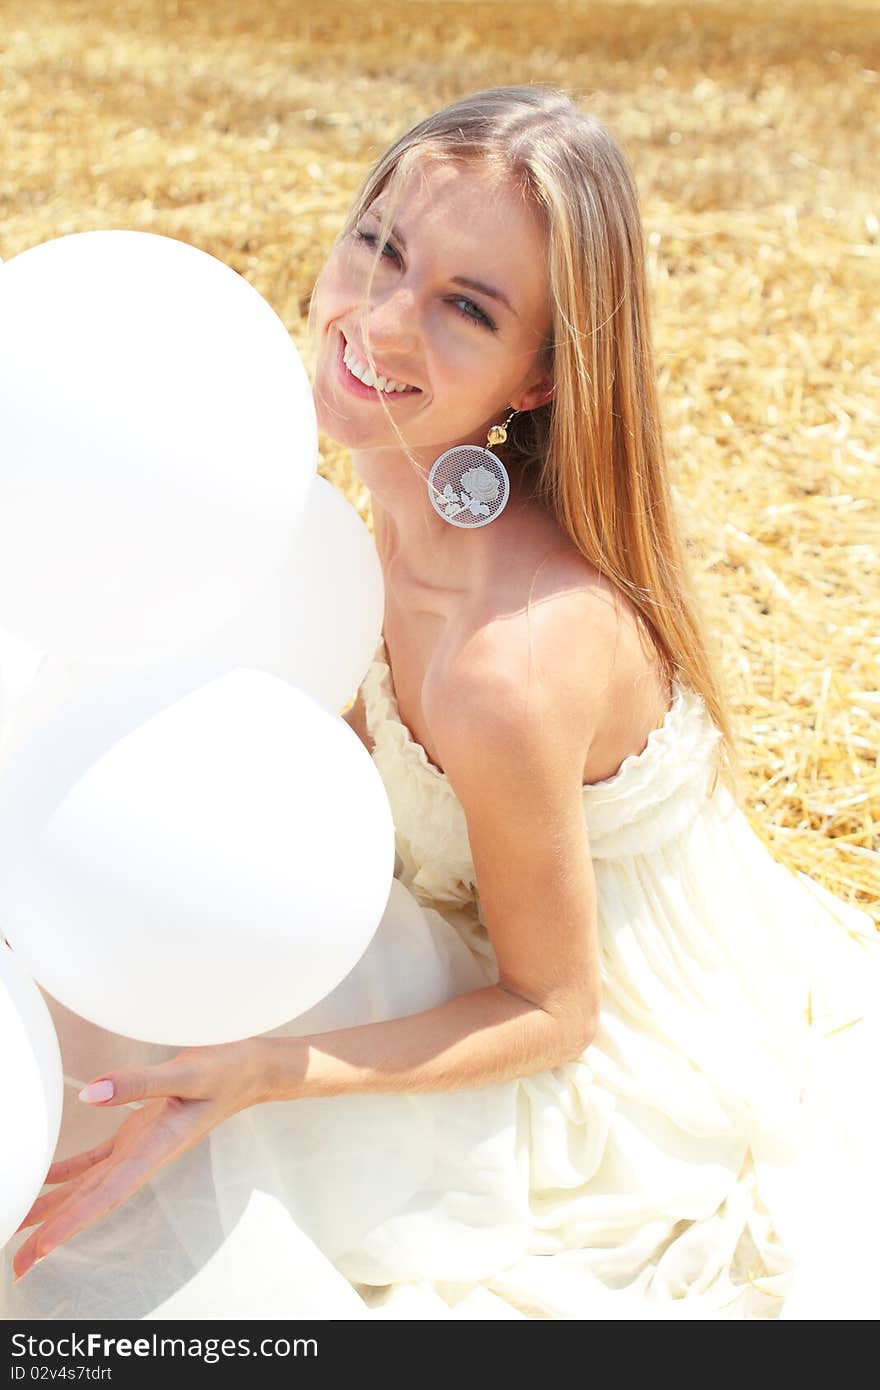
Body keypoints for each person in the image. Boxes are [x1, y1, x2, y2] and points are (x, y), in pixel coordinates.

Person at [3, 85, 879, 1322]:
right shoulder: (372, 507)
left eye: (466, 309)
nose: (379, 317)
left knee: (143, 1045)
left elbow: (556, 1010)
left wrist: (271, 1071)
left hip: (586, 1038)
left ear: (535, 380)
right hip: (444, 909)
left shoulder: (502, 666)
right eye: (382, 246)